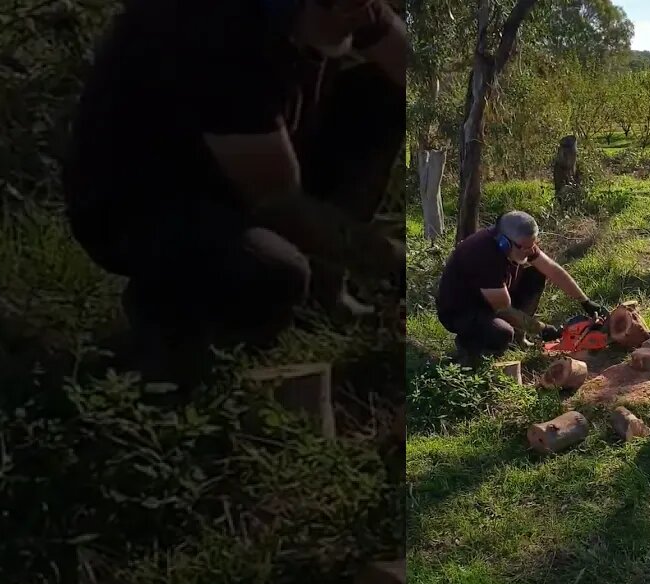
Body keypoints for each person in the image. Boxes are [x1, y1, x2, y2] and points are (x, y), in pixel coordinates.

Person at [61, 0, 410, 386]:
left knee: (388, 97)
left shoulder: (342, 6)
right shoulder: (217, 34)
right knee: (273, 272)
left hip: (247, 156)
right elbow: (281, 205)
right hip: (142, 200)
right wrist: (396, 262)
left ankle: (324, 291)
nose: (363, 14)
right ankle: (165, 326)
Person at [436, 211, 608, 364]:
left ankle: (519, 336)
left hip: (494, 298)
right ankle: (470, 347)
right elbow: (504, 309)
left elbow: (553, 270)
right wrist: (542, 329)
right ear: (504, 242)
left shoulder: (519, 244)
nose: (530, 251)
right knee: (502, 333)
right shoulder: (484, 256)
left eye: (532, 245)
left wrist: (585, 301)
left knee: (536, 275)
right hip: (463, 312)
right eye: (525, 247)